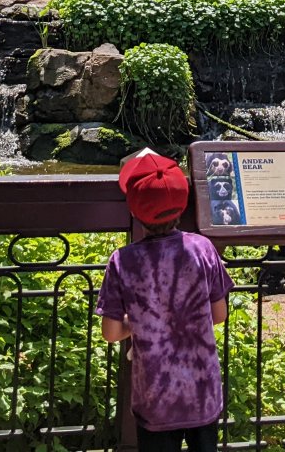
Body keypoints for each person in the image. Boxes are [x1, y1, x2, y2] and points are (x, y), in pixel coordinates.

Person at [98, 151, 234, 452]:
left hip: (155, 399)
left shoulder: (123, 261)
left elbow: (110, 333)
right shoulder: (202, 249)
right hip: (203, 395)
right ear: (181, 205)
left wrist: (140, 324)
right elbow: (220, 314)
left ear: (135, 211)